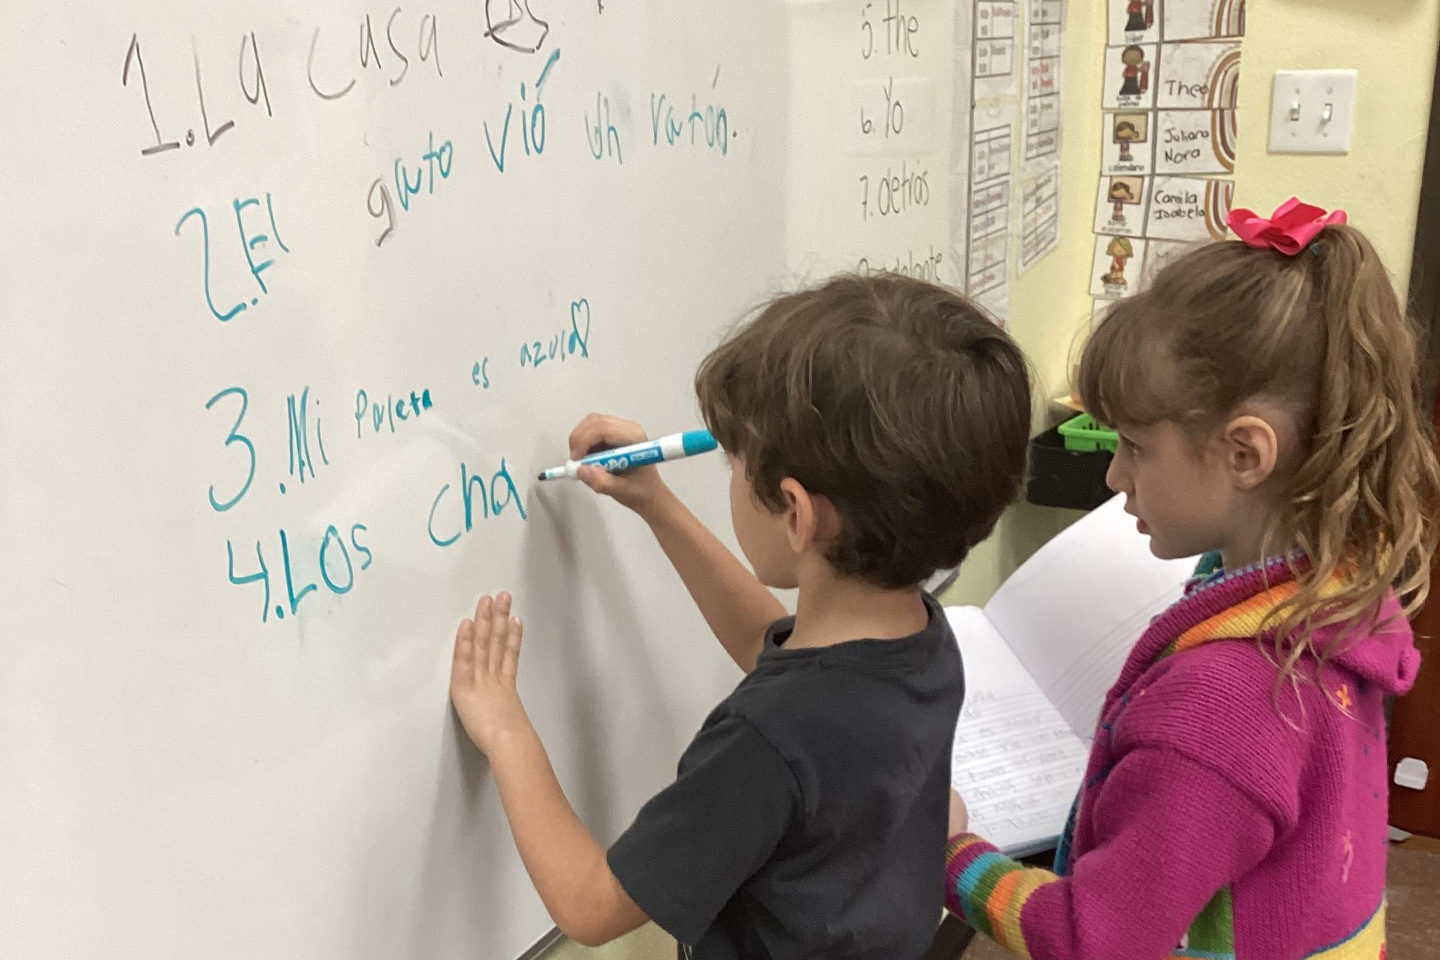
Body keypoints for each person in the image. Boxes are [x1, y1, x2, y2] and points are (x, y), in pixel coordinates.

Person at [449, 272, 1033, 959]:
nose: (728, 471)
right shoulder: (921, 638)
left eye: (734, 460)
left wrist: (507, 731)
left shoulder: (767, 738)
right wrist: (657, 505)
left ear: (794, 510)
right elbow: (773, 642)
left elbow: (590, 903)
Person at [945, 199, 1440, 959]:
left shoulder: (1220, 710)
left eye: (1136, 446)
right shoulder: (1346, 587)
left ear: (1246, 453)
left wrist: (956, 857)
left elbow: (1094, 938)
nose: (1115, 476)